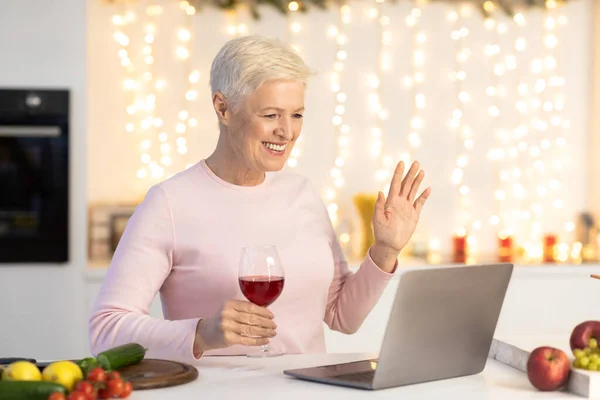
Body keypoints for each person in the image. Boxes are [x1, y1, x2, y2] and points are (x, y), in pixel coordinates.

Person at [89, 35, 431, 362]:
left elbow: (343, 317)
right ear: (223, 108)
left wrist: (385, 251)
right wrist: (201, 334)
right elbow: (106, 330)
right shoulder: (169, 203)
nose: (287, 131)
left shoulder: (303, 195)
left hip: (309, 391)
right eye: (270, 115)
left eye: (296, 114)